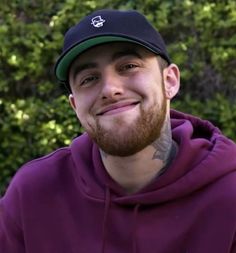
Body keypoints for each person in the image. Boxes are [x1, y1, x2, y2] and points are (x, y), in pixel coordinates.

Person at [1, 9, 236, 253]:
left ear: (170, 81)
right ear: (75, 105)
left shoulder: (229, 194)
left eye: (129, 66)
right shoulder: (33, 195)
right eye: (89, 79)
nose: (110, 89)